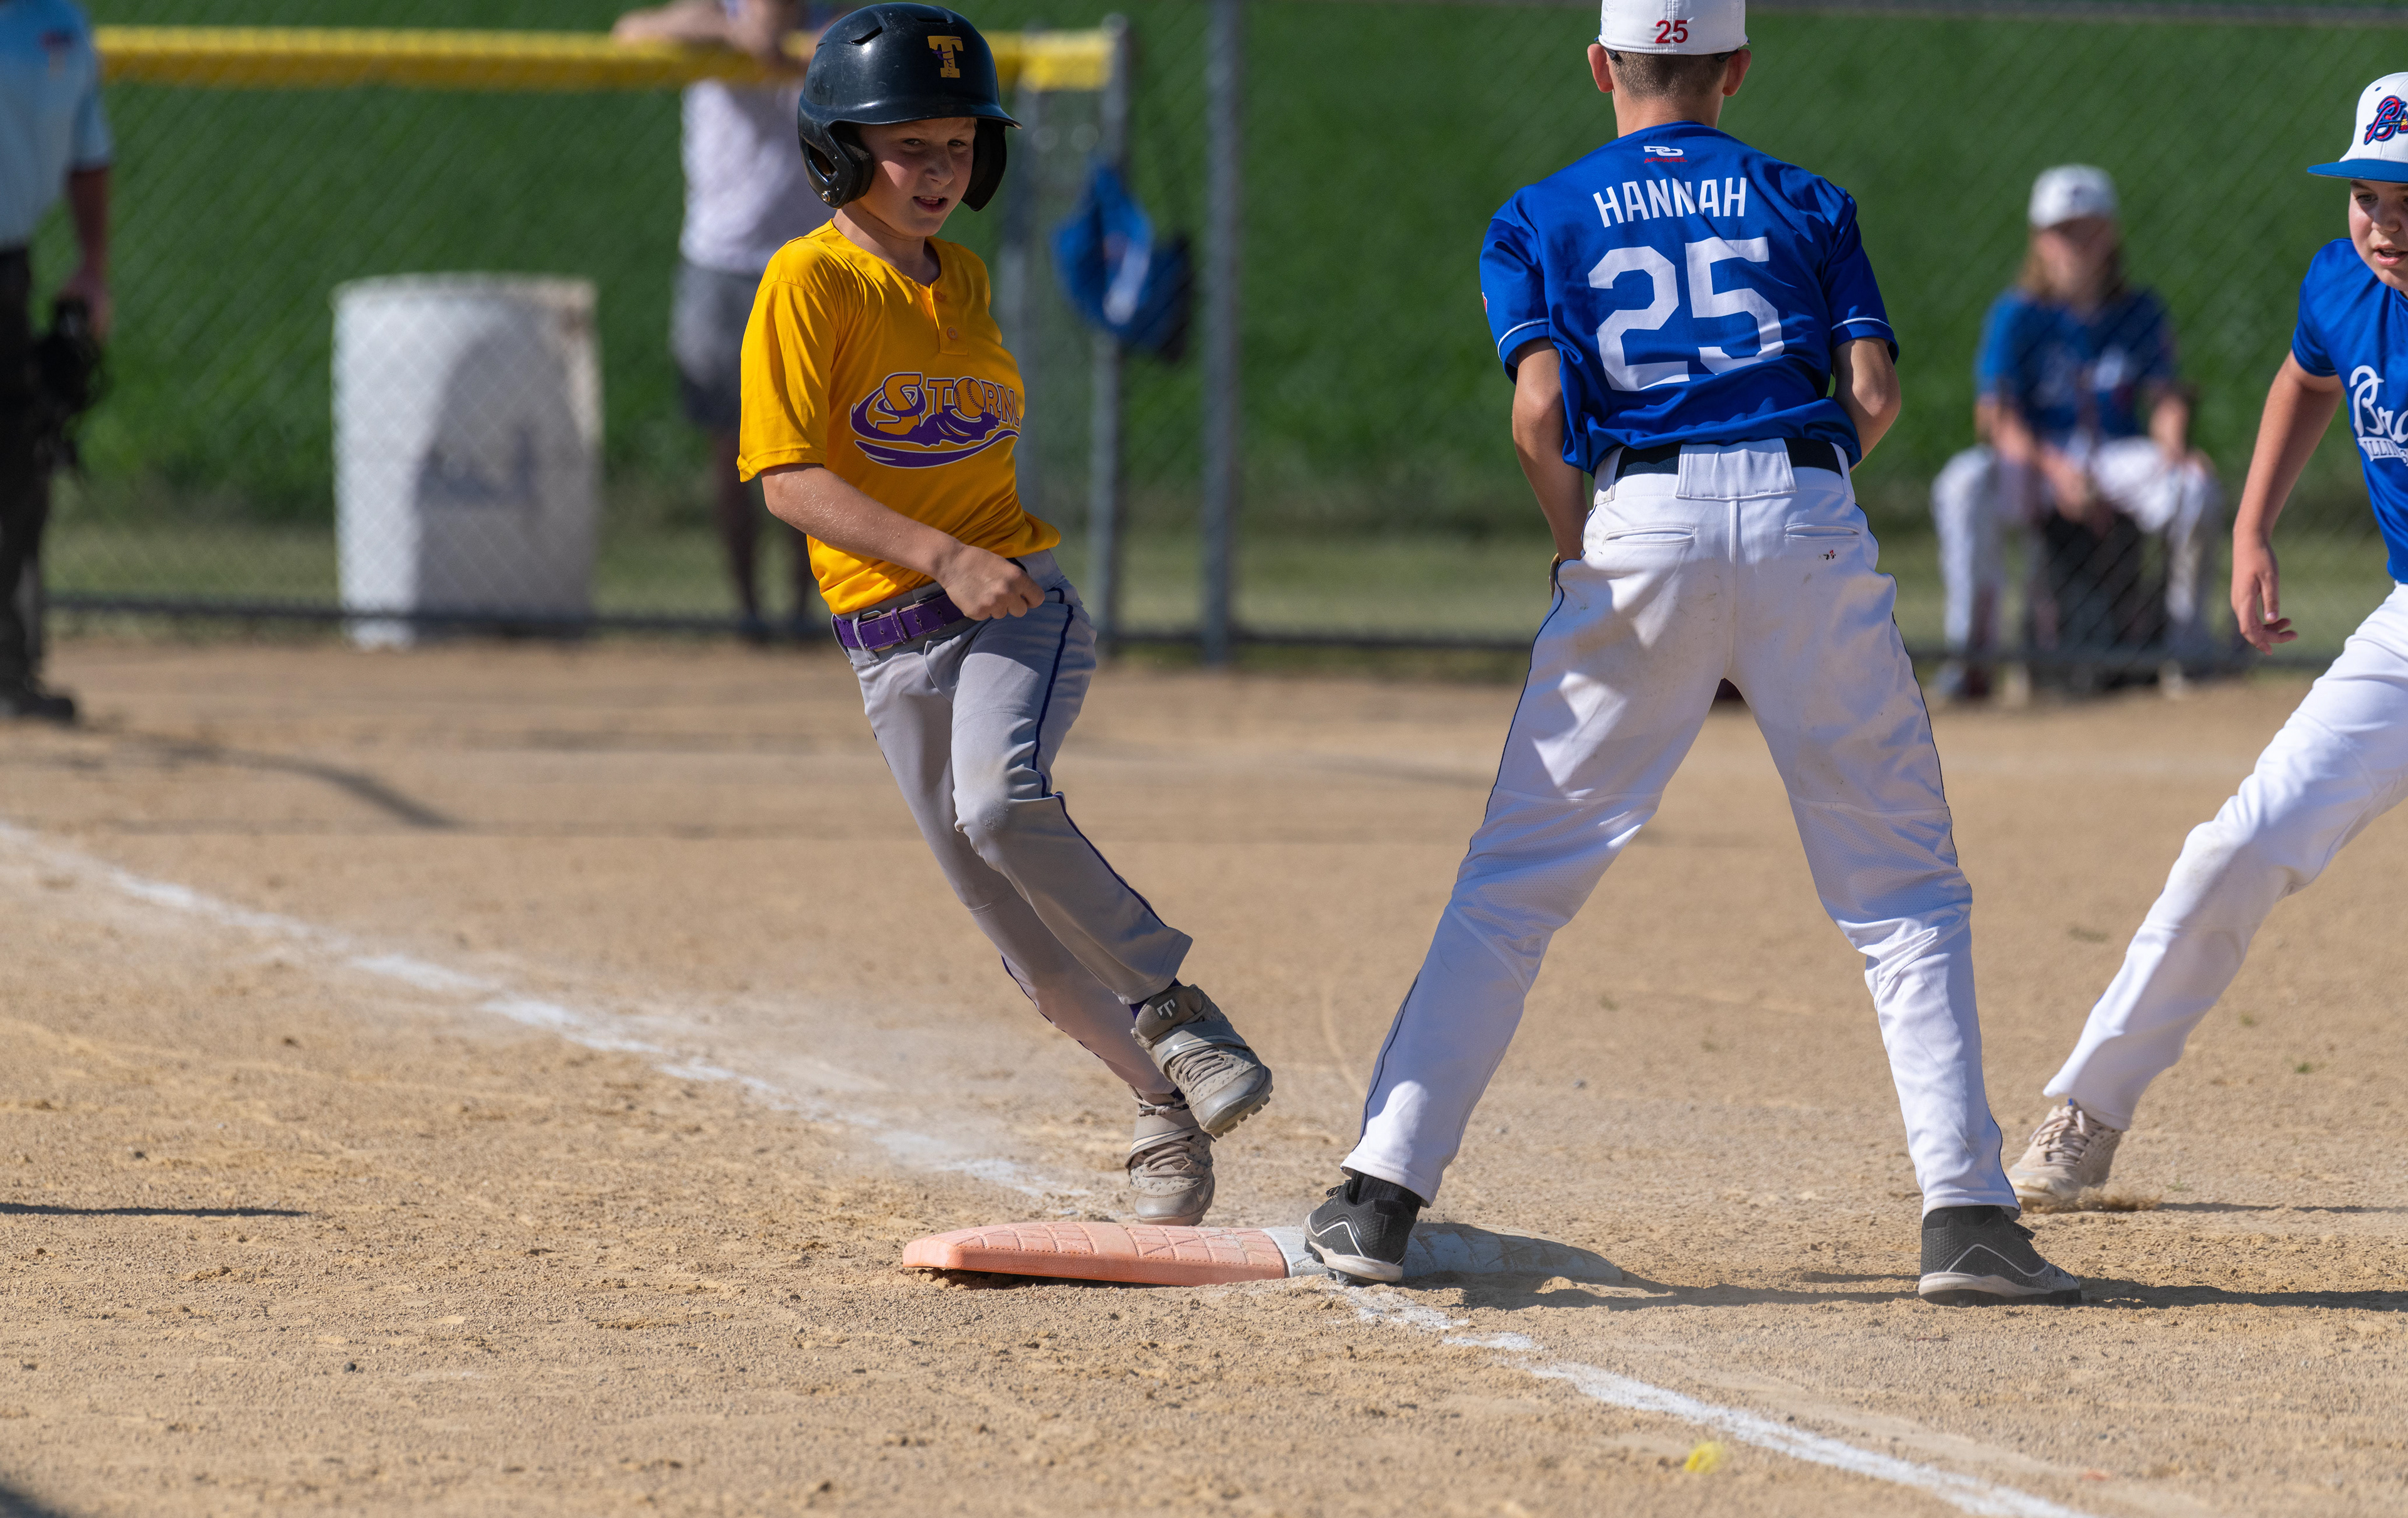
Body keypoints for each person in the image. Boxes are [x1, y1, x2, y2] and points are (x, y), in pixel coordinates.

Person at [1300, 0, 2081, 1308]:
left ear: (1602, 65)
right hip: (1803, 506)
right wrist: (1791, 508)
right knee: (1901, 890)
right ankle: (1967, 1217)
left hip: (1641, 518)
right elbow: (1874, 394)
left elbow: (1540, 411)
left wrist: (1585, 551)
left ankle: (1380, 1195)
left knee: (1516, 884)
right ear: (1736, 70)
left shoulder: (1539, 213)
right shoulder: (1807, 199)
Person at [736, 4, 1274, 1224]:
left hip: (1010, 607)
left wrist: (958, 560)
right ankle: (1164, 1107)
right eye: (907, 148)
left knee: (999, 801)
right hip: (888, 650)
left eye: (958, 145)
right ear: (839, 152)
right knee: (1033, 960)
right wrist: (931, 553)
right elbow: (788, 480)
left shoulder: (964, 277)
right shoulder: (808, 282)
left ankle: (1177, 1007)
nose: (938, 172)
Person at [2010, 75, 2408, 1207]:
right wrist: (2249, 527)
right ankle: (2087, 1112)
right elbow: (2306, 376)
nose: (2384, 224)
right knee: (2237, 845)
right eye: (2368, 196)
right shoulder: (2343, 280)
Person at [1929, 167, 2221, 701]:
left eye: (2088, 228)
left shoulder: (2138, 310)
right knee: (1963, 483)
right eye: (2063, 231)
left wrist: (2176, 449)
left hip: (2115, 455)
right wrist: (2055, 469)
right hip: (2039, 460)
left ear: (2111, 234)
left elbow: (2164, 398)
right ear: (2040, 240)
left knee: (2193, 489)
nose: (2077, 243)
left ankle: (2187, 651)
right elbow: (1996, 416)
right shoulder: (2017, 314)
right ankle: (1972, 657)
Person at [615, 0, 833, 640]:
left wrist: (788, 49)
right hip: (721, 260)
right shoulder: (715, 17)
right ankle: (749, 613)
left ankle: (804, 612)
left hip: (809, 263)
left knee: (810, 451)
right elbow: (630, 34)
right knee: (732, 448)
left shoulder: (838, 24)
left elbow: (878, 42)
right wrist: (737, 37)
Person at [1, 0, 111, 724]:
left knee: (20, 459)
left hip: (8, 267)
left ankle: (7, 667)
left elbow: (88, 152)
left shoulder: (61, 21)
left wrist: (94, 268)